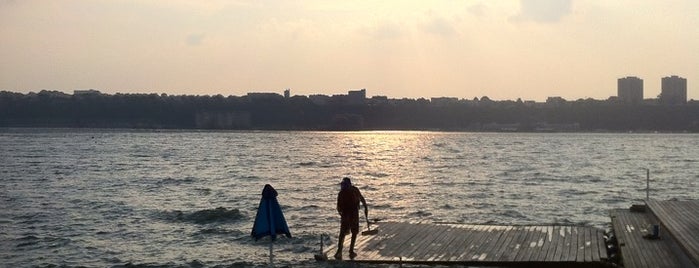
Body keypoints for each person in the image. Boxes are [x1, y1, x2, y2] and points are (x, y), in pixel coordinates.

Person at [334, 177, 368, 260]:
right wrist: (365, 206)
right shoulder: (342, 193)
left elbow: (361, 198)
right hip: (347, 214)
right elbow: (338, 207)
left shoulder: (353, 190)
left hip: (352, 214)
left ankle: (348, 250)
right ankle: (341, 250)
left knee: (352, 232)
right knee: (344, 233)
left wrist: (365, 206)